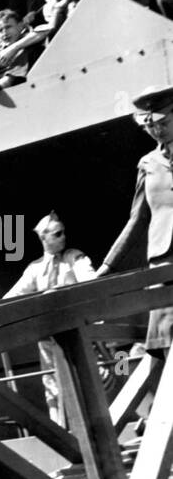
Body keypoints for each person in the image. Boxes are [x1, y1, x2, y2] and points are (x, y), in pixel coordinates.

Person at [98, 85, 173, 364]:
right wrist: (107, 266)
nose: (157, 130)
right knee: (165, 339)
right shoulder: (148, 164)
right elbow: (137, 220)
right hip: (163, 261)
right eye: (150, 126)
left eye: (163, 123)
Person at [6, 213, 97, 424]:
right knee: (51, 387)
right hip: (48, 339)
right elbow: (14, 296)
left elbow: (89, 279)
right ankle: (60, 431)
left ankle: (101, 425)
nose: (63, 237)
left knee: (99, 377)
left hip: (78, 334)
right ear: (43, 238)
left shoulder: (74, 257)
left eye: (63, 232)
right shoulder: (35, 269)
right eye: (57, 234)